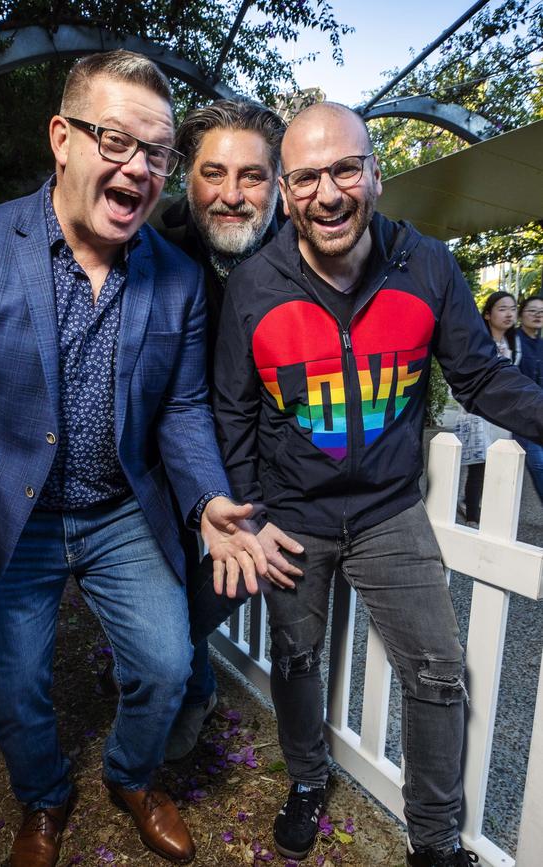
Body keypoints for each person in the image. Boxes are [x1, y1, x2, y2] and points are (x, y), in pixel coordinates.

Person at [0, 51, 269, 867]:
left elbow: (180, 404)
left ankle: (132, 774)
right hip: (9, 515)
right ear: (62, 139)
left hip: (118, 511)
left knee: (169, 663)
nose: (138, 167)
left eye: (157, 153)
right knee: (16, 689)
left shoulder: (176, 278)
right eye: (115, 140)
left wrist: (206, 498)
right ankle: (44, 796)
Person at [212, 101, 543, 867]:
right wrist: (246, 516)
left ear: (375, 175)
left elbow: (482, 375)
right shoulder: (253, 285)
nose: (328, 193)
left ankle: (433, 841)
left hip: (391, 512)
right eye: (306, 177)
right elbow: (230, 411)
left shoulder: (427, 264)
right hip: (290, 515)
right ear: (286, 194)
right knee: (296, 659)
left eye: (344, 169)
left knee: (437, 669)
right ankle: (305, 779)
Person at [0, 98, 302, 763]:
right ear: (186, 177)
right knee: (171, 622)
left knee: (182, 624)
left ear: (278, 182)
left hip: (253, 480)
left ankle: (186, 691)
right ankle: (185, 684)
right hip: (165, 476)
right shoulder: (156, 247)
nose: (233, 194)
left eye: (253, 176)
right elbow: (49, 234)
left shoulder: (309, 262)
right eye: (213, 172)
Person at [457, 291, 520, 526]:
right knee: (478, 467)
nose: (508, 314)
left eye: (512, 308)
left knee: (499, 464)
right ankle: (472, 514)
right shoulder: (479, 343)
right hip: (478, 415)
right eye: (502, 308)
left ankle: (483, 507)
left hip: (504, 417)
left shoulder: (514, 343)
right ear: (487, 314)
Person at [515, 294, 543, 498]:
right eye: (532, 311)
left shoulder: (541, 344)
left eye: (541, 312)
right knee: (538, 462)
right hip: (521, 414)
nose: (537, 315)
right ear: (521, 315)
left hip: (539, 412)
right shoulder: (513, 340)